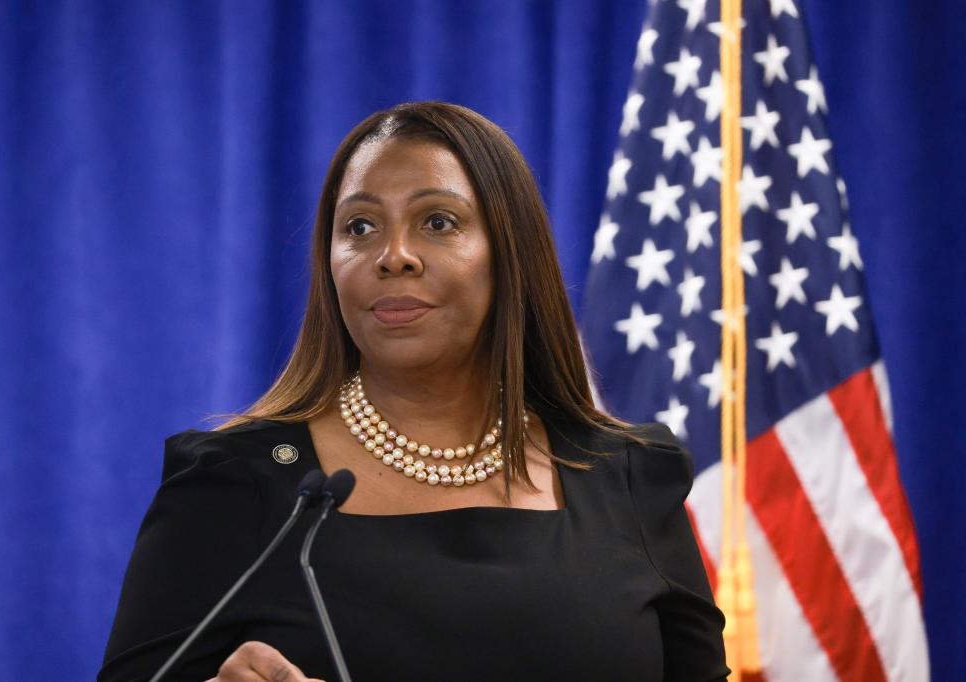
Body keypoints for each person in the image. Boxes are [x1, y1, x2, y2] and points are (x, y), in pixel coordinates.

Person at [98, 101, 729, 681]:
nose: (394, 255)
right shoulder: (234, 485)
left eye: (437, 221)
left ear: (510, 253)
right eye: (361, 228)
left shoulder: (629, 474)